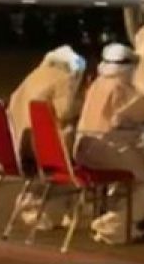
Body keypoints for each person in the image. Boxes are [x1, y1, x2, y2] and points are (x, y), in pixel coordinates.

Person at [74, 43, 144, 244]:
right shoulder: (120, 86)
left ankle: (114, 216)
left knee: (134, 171)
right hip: (107, 151)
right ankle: (115, 224)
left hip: (84, 150)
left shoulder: (97, 84)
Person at [8, 45, 87, 229]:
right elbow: (65, 112)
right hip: (45, 147)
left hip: (21, 144)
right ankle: (64, 207)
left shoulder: (33, 76)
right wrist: (83, 100)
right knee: (82, 159)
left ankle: (63, 207)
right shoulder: (63, 79)